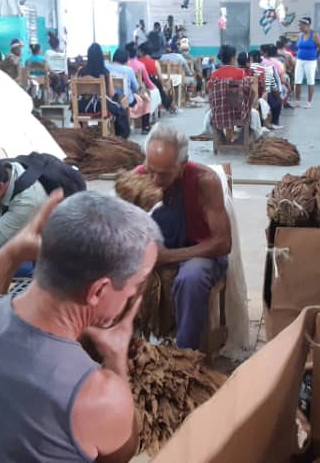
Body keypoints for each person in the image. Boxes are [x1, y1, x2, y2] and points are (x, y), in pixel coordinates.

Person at [0, 189, 162, 462]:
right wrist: (116, 361)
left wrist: (12, 253)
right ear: (98, 291)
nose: (133, 294)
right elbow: (121, 455)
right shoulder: (98, 396)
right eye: (135, 284)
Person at [135, 125, 232, 350]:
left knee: (191, 278)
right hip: (158, 253)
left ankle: (185, 356)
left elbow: (223, 243)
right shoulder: (138, 178)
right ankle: (134, 350)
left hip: (200, 253)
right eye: (151, 170)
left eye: (165, 174)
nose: (155, 180)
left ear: (182, 165)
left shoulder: (204, 181)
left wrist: (168, 256)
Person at [79, 43, 131, 138]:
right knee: (120, 110)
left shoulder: (81, 71)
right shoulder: (105, 72)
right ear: (101, 56)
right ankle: (121, 136)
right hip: (99, 107)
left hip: (81, 107)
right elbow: (111, 94)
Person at [126, 42, 157, 133]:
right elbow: (147, 82)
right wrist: (154, 88)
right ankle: (145, 126)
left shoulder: (123, 64)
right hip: (133, 95)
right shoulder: (140, 65)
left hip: (118, 96)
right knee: (147, 98)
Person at [294, 17, 320, 108]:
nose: (299, 27)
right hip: (300, 60)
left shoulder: (314, 35)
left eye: (300, 26)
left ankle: (309, 102)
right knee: (297, 80)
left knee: (310, 81)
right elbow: (298, 46)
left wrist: (316, 57)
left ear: (306, 25)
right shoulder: (300, 35)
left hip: (310, 61)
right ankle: (297, 101)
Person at [250, 49, 282, 129]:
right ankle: (274, 122)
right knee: (276, 98)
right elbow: (274, 89)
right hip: (263, 100)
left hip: (249, 99)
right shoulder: (267, 69)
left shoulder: (248, 69)